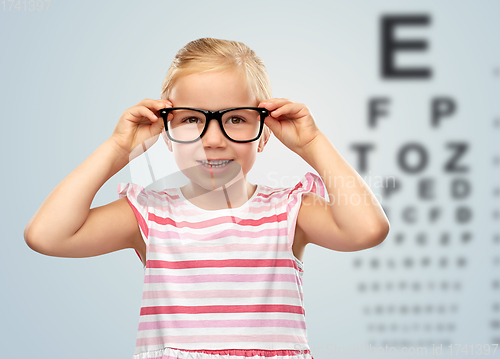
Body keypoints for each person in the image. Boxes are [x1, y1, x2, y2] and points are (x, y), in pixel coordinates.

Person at [24, 37, 390, 359]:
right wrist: (119, 148)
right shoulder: (150, 214)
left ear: (264, 133)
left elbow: (367, 230)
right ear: (166, 134)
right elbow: (47, 235)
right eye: (191, 120)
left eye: (235, 120)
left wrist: (312, 144)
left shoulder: (290, 209)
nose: (213, 139)